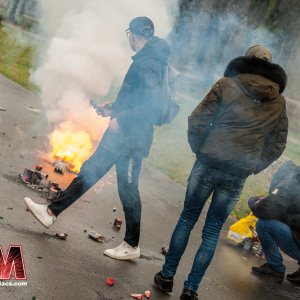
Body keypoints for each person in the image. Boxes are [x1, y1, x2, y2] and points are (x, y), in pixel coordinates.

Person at [24, 16, 171, 260]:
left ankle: (132, 246)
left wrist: (122, 120)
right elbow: (137, 98)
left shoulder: (149, 63)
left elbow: (152, 106)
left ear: (132, 35)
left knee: (128, 190)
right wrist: (113, 107)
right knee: (90, 170)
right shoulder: (148, 59)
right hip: (122, 138)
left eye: (129, 36)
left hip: (132, 140)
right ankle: (50, 212)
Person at [154, 45, 288, 300]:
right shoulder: (278, 100)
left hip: (207, 163)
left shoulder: (226, 84)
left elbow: (197, 119)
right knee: (212, 230)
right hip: (237, 173)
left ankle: (167, 276)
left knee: (186, 220)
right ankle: (191, 290)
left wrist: (201, 150)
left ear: (245, 61)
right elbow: (277, 143)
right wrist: (253, 165)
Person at [249, 160, 300, 284]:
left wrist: (254, 203)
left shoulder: (293, 183)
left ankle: (275, 268)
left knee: (263, 225)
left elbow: (267, 210)